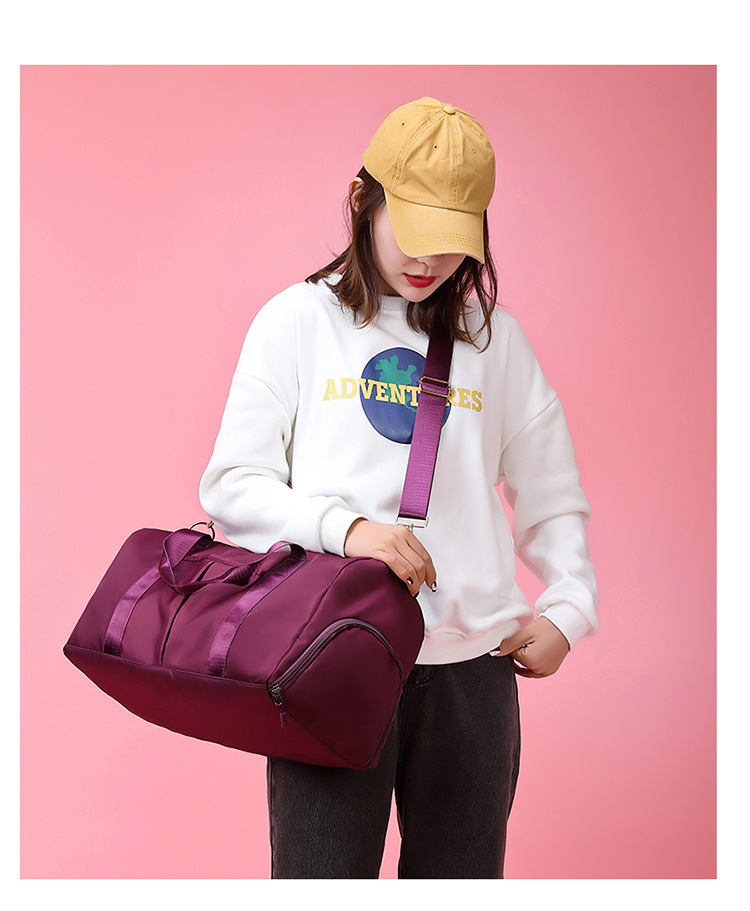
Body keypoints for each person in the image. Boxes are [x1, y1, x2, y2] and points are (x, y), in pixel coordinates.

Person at [198, 96, 600, 879]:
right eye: (413, 233)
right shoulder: (297, 322)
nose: (430, 262)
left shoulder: (494, 342)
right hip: (327, 660)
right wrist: (347, 530)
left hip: (472, 672)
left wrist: (569, 605)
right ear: (363, 200)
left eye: (452, 243)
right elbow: (233, 486)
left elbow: (551, 492)